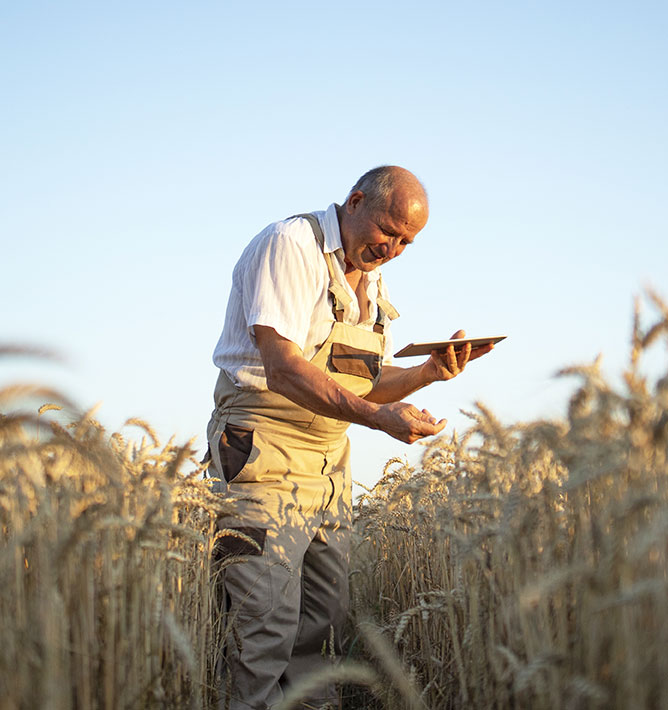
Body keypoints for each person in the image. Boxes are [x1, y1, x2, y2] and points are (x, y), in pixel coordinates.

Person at [205, 166, 493, 710]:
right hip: (263, 452)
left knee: (318, 638)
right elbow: (285, 367)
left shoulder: (372, 276)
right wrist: (377, 420)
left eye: (409, 242)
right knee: (260, 635)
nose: (395, 249)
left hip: (330, 466)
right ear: (356, 201)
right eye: (390, 232)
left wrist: (429, 373)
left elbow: (363, 381)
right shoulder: (291, 245)